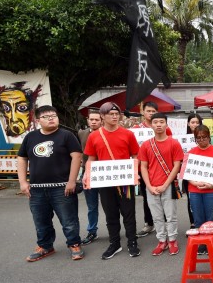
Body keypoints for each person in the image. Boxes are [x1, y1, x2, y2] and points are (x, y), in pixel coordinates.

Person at [17, 105, 84, 261]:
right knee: (41, 220)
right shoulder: (30, 137)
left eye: (54, 115)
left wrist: (71, 181)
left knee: (69, 219)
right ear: (37, 120)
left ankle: (74, 244)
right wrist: (23, 182)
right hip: (37, 189)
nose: (51, 118)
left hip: (62, 187)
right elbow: (22, 158)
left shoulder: (66, 136)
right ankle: (45, 246)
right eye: (46, 116)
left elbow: (77, 157)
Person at [84, 102, 141, 259]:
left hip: (125, 181)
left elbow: (136, 156)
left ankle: (132, 242)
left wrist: (136, 172)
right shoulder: (94, 136)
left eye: (117, 114)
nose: (115, 116)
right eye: (111, 114)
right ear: (102, 116)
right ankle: (114, 243)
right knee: (110, 214)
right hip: (105, 181)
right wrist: (86, 174)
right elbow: (91, 158)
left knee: (129, 213)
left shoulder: (128, 134)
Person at [138, 113, 184, 256]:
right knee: (156, 216)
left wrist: (165, 184)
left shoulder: (174, 143)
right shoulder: (146, 145)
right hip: (151, 186)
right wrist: (149, 186)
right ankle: (161, 240)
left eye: (161, 122)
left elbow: (177, 166)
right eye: (155, 122)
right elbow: (143, 167)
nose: (158, 124)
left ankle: (172, 240)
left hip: (168, 185)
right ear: (151, 125)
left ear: (166, 124)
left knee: (171, 216)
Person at [135, 101, 172, 238]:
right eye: (148, 111)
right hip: (144, 169)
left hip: (162, 169)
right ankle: (149, 223)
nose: (151, 114)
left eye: (153, 111)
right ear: (143, 112)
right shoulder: (137, 128)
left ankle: (165, 224)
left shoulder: (164, 128)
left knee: (165, 198)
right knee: (147, 196)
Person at [186, 125, 213, 254]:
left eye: (204, 137)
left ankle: (212, 242)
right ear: (195, 139)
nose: (202, 140)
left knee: (211, 216)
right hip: (195, 190)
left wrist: (211, 185)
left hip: (212, 190)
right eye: (198, 138)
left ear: (209, 137)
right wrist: (195, 183)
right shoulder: (191, 152)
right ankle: (202, 243)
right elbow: (187, 173)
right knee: (198, 217)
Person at [78, 109, 102, 245]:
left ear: (101, 120)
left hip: (105, 173)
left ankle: (114, 230)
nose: (93, 122)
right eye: (91, 119)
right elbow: (80, 153)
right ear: (87, 120)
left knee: (109, 205)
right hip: (87, 172)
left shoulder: (106, 134)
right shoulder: (82, 133)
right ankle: (92, 231)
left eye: (96, 120)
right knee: (91, 206)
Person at [184, 113, 202, 228]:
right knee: (191, 199)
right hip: (188, 171)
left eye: (197, 122)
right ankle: (193, 222)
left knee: (202, 197)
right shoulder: (182, 138)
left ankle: (204, 222)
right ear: (188, 124)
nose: (195, 125)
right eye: (192, 122)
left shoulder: (204, 135)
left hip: (201, 170)